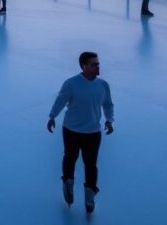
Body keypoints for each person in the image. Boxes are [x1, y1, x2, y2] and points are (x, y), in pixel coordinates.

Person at [47, 52, 115, 214]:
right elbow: (60, 101)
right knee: (70, 157)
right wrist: (52, 117)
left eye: (98, 63)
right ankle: (68, 183)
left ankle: (89, 194)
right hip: (72, 130)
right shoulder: (71, 84)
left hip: (93, 132)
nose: (97, 66)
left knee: (91, 165)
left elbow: (108, 104)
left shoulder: (103, 85)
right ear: (83, 66)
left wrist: (109, 120)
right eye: (93, 64)